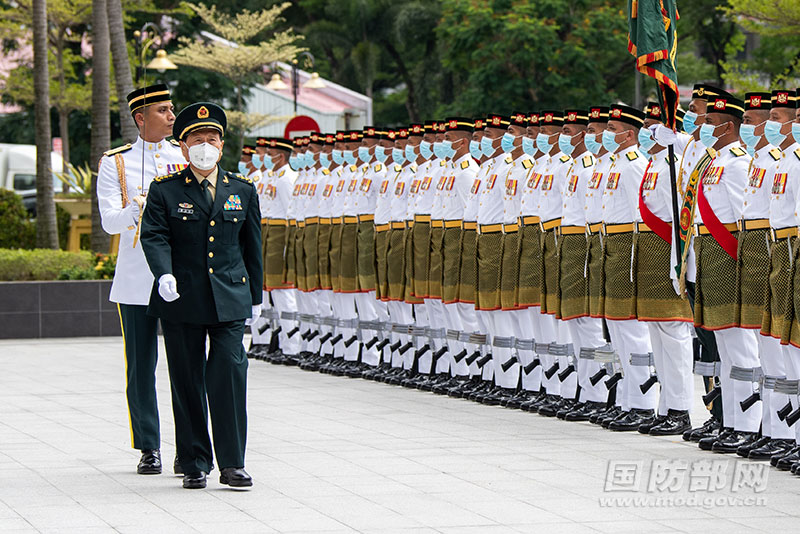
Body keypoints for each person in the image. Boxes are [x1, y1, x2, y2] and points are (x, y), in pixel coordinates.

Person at [140, 102, 262, 489]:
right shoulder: (165, 190)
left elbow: (252, 246)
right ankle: (193, 461)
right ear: (183, 145)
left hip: (230, 299)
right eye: (197, 138)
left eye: (212, 138)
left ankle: (232, 463)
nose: (205, 145)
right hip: (183, 298)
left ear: (222, 146)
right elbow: (154, 235)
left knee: (229, 376)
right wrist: (163, 274)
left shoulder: (242, 190)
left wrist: (256, 297)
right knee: (187, 380)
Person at [97, 83, 186, 475]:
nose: (171, 115)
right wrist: (139, 208)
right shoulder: (116, 163)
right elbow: (109, 221)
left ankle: (190, 446)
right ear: (141, 117)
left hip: (179, 276)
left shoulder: (182, 159)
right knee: (140, 367)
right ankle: (149, 446)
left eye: (171, 109)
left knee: (186, 365)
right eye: (164, 110)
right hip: (136, 278)